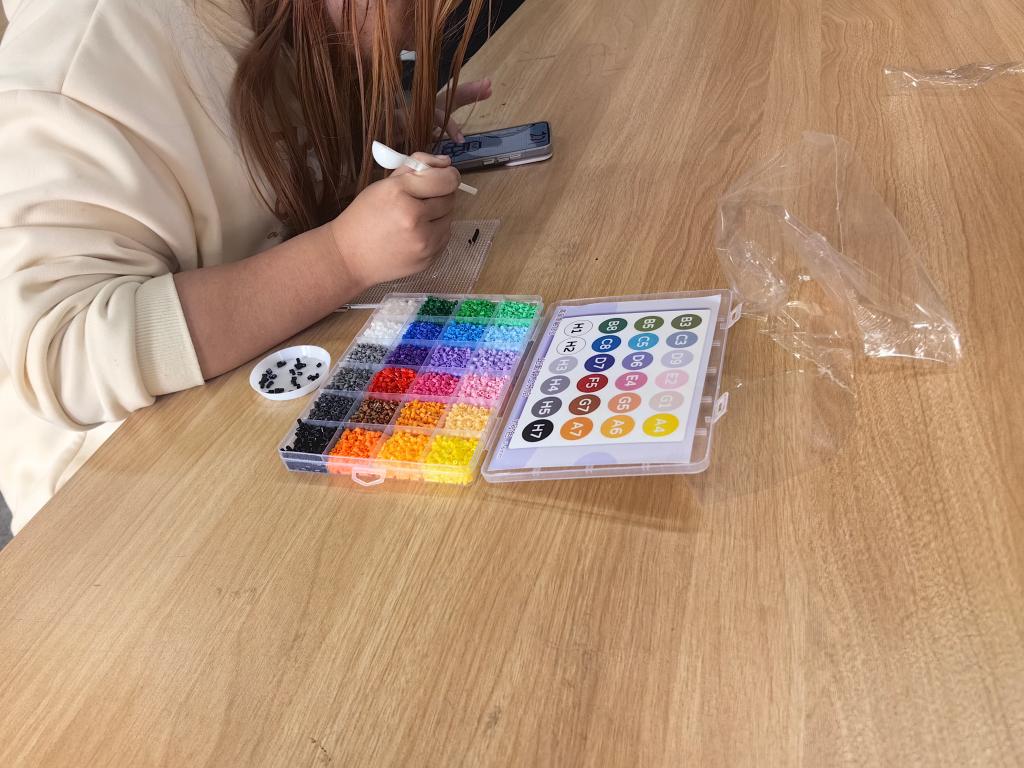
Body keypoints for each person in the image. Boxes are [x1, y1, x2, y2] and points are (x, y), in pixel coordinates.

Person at [0, 0, 492, 534]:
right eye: (415, 13)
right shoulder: (81, 62)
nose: (413, 45)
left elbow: (253, 173)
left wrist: (368, 134)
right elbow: (66, 355)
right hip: (117, 511)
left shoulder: (267, 20)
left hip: (265, 411)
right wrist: (342, 256)